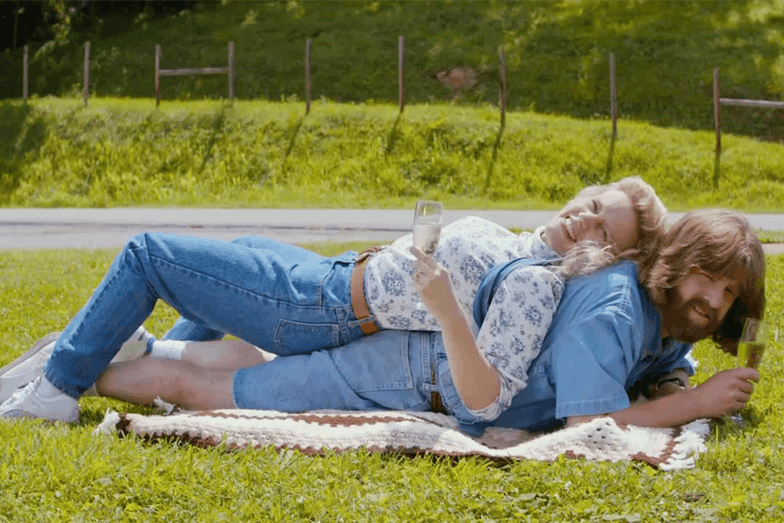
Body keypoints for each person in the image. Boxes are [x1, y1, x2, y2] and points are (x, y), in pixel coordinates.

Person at [0, 177, 666, 424]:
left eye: (605, 232)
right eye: (595, 206)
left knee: (150, 253)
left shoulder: (537, 280)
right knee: (241, 241)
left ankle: (58, 388)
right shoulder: (527, 242)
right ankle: (139, 346)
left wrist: (439, 300)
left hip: (318, 304)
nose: (586, 221)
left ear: (605, 255)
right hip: (333, 275)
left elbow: (487, 394)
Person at [461, 208, 766, 435]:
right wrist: (697, 402)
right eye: (707, 276)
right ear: (677, 262)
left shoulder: (674, 315)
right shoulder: (617, 311)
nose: (713, 301)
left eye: (728, 292)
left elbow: (674, 359)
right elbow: (587, 425)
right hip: (437, 385)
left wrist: (673, 384)